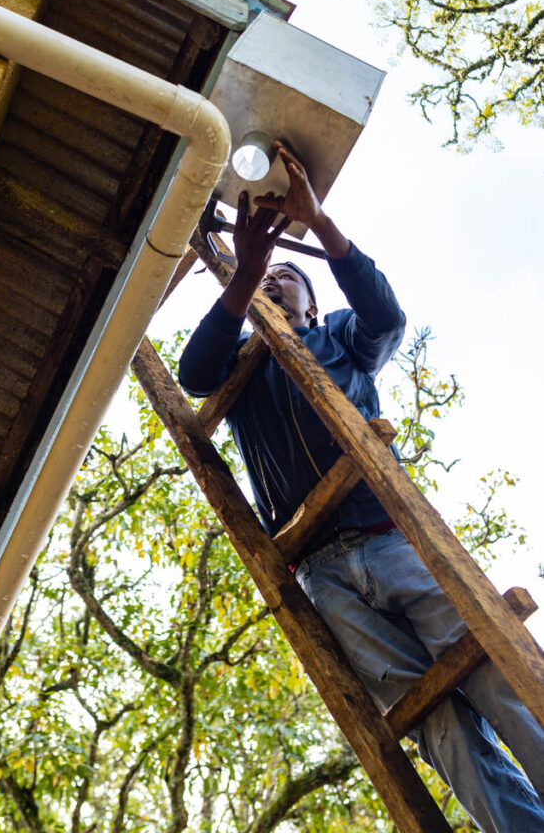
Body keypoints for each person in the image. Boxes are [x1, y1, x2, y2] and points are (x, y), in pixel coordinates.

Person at [178, 141, 544, 833]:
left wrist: (318, 227)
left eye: (287, 277)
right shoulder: (241, 367)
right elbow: (195, 374)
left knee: (495, 676)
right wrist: (243, 275)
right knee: (431, 721)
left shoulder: (340, 337)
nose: (274, 280)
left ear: (312, 304)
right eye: (266, 278)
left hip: (392, 539)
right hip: (322, 572)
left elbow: (385, 316)